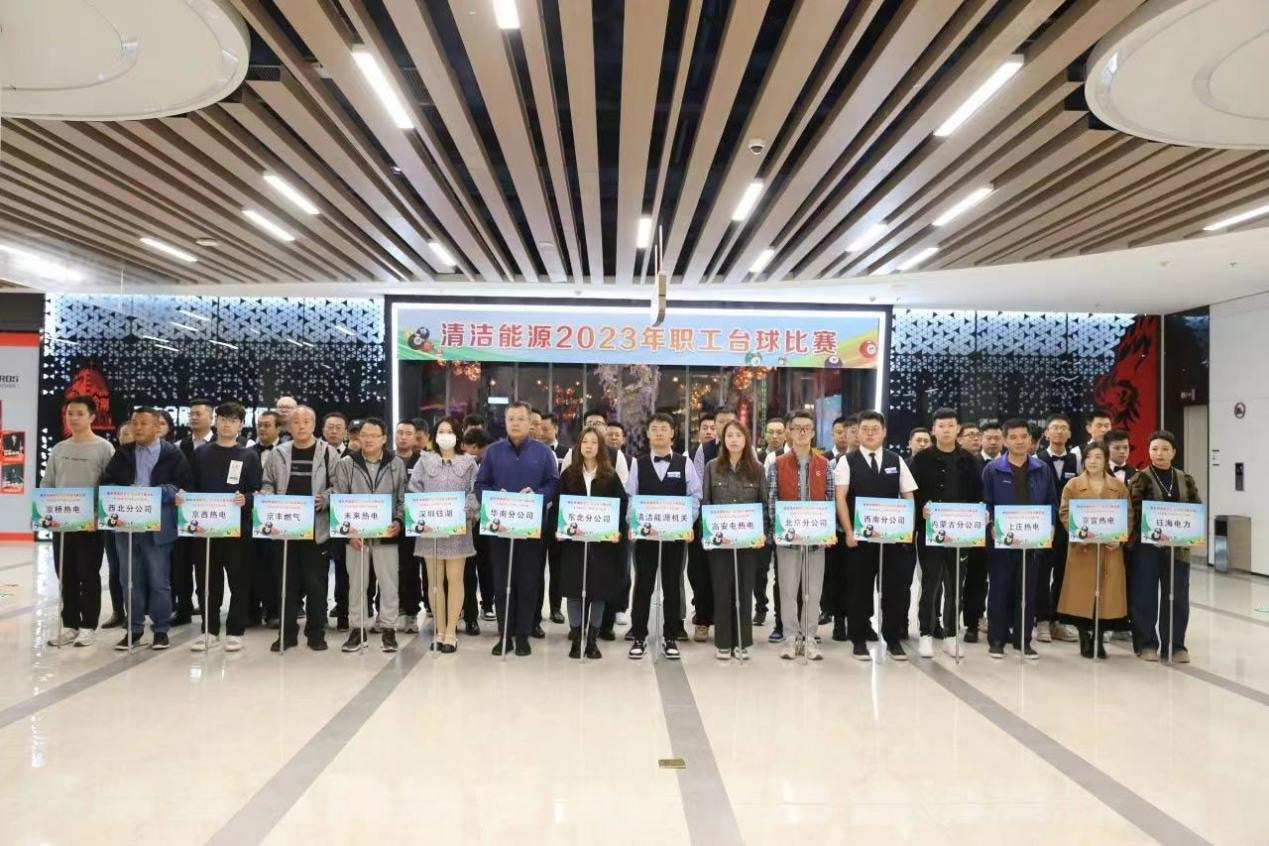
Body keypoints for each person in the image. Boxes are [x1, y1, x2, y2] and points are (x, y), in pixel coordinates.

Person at [100, 407, 191, 650]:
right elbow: (107, 482)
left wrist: (151, 494)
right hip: (126, 527)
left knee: (159, 581)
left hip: (159, 527)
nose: (137, 428)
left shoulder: (173, 454)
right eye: (134, 423)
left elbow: (181, 486)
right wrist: (124, 491)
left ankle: (161, 630)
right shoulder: (123, 453)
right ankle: (134, 629)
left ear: (157, 427)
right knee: (129, 581)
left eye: (143, 423)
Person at [474, 401, 560, 656]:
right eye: (511, 418)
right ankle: (505, 634)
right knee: (502, 582)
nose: (515, 423)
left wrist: (537, 496)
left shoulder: (543, 452)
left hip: (531, 528)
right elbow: (480, 484)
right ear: (505, 421)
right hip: (500, 526)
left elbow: (553, 484)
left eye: (521, 418)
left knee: (528, 581)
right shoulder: (493, 452)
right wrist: (495, 497)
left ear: (530, 422)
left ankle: (523, 634)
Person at [834, 411, 918, 661]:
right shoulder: (846, 461)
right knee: (858, 588)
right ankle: (858, 639)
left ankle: (893, 639)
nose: (870, 433)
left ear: (884, 432)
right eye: (865, 429)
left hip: (892, 538)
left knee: (893, 589)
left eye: (875, 429)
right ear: (858, 432)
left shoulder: (896, 460)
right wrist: (848, 531)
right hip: (859, 538)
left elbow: (908, 496)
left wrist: (907, 529)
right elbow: (840, 497)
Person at [182, 402, 262, 652]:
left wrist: (246, 499)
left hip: (237, 530)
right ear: (216, 422)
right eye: (223, 419)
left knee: (239, 581)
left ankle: (236, 631)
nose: (227, 424)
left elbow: (256, 491)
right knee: (207, 581)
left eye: (233, 420)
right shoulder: (201, 453)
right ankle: (210, 630)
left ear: (241, 425)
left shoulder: (248, 455)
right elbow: (191, 486)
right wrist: (184, 496)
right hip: (205, 528)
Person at [261, 406, 339, 651]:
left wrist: (325, 498)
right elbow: (267, 482)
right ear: (288, 426)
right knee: (286, 584)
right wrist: (267, 495)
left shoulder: (328, 453)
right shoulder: (278, 453)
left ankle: (316, 633)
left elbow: (339, 485)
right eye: (296, 421)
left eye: (306, 421)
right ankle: (287, 634)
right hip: (284, 528)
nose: (301, 426)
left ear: (314, 425)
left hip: (316, 530)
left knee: (316, 584)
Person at [626, 412, 701, 659]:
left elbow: (695, 496)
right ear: (648, 434)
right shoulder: (638, 464)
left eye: (663, 429)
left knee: (672, 585)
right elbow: (631, 497)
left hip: (675, 537)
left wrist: (688, 523)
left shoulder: (684, 463)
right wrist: (632, 522)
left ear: (672, 434)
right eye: (654, 429)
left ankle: (671, 637)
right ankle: (639, 636)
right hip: (645, 537)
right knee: (643, 585)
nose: (659, 433)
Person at [982, 418, 1058, 660]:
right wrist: (990, 524)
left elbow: (1051, 502)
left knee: (1028, 590)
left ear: (1030, 440)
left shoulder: (1042, 468)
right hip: (1001, 540)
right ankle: (997, 639)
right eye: (1013, 437)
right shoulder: (993, 469)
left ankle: (1023, 640)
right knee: (999, 589)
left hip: (1033, 539)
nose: (1019, 441)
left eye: (1023, 437)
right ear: (1005, 441)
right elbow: (986, 502)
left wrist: (1051, 525)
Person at [42, 395, 115, 647]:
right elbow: (48, 483)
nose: (73, 418)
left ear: (92, 416)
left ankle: (88, 626)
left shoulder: (104, 448)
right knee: (66, 575)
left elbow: (109, 486)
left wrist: (97, 514)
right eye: (69, 413)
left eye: (79, 414)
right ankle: (70, 625)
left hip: (90, 524)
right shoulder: (59, 448)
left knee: (88, 574)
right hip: (62, 523)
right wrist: (44, 510)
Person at [911, 408, 982, 658]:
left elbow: (977, 495)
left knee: (955, 585)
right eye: (941, 426)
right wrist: (921, 509)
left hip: (961, 533)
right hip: (930, 532)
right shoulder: (921, 460)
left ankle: (951, 636)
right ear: (933, 429)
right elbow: (912, 495)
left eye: (951, 425)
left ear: (958, 429)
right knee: (930, 583)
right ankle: (926, 633)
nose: (946, 430)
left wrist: (980, 514)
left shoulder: (970, 460)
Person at [333, 417, 407, 653]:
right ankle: (358, 629)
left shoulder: (396, 464)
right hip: (356, 537)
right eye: (364, 435)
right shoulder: (346, 464)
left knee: (389, 584)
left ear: (384, 439)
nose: (368, 439)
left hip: (387, 534)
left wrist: (399, 521)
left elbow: (402, 498)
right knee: (357, 584)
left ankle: (388, 629)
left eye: (374, 435)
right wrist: (349, 534)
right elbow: (338, 498)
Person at [1127, 430, 1201, 663]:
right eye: (1154, 449)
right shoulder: (1140, 478)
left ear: (1174, 452)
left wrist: (1191, 533)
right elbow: (1132, 512)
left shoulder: (1185, 479)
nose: (1159, 453)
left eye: (1165, 449)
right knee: (1144, 595)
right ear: (1148, 452)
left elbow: (1195, 509)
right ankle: (1146, 643)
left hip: (1178, 549)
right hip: (1147, 548)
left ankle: (1175, 645)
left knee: (1177, 596)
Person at [766, 410, 833, 660]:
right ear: (789, 432)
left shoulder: (824, 464)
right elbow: (772, 501)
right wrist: (780, 531)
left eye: (807, 428)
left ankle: (810, 637)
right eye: (797, 428)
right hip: (788, 539)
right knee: (787, 590)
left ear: (813, 432)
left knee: (813, 591)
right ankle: (790, 637)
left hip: (816, 539)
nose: (802, 432)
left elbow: (829, 499)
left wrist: (826, 531)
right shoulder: (777, 464)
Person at [557, 426, 628, 659]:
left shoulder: (610, 476)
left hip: (602, 546)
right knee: (574, 591)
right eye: (584, 442)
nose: (589, 446)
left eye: (593, 442)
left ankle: (592, 641)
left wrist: (616, 531)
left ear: (600, 447)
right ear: (579, 446)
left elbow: (621, 506)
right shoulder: (569, 475)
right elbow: (559, 505)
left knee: (598, 592)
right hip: (574, 544)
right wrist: (559, 529)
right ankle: (577, 638)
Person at [407, 416, 476, 653]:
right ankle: (439, 629)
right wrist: (423, 510)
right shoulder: (424, 461)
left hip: (458, 530)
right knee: (434, 580)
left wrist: (466, 510)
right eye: (441, 431)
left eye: (450, 431)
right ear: (435, 437)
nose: (445, 435)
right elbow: (414, 488)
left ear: (458, 435)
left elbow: (475, 491)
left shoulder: (469, 462)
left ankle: (451, 632)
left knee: (455, 579)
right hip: (431, 531)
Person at [702, 419, 768, 661]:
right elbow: (706, 502)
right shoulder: (712, 467)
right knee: (722, 590)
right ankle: (723, 642)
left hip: (748, 541)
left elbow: (763, 504)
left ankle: (742, 641)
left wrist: (762, 533)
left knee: (744, 590)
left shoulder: (757, 469)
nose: (734, 440)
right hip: (720, 541)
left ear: (746, 439)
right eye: (729, 435)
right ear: (723, 439)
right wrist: (707, 534)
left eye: (738, 435)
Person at [1056, 441, 1130, 659]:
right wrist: (1078, 533)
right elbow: (1064, 513)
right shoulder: (1073, 485)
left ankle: (1099, 637)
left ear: (1105, 459)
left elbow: (1128, 515)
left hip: (1109, 549)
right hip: (1083, 549)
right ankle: (1084, 636)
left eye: (1098, 457)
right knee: (1081, 595)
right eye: (1089, 457)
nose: (1093, 461)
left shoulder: (1118, 486)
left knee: (1106, 596)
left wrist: (1120, 539)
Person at [1036, 414, 1080, 644]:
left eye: (1064, 428)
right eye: (1054, 428)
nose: (1059, 431)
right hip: (1044, 524)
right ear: (1046, 433)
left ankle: (1057, 620)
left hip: (1068, 526)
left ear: (1069, 433)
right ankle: (1042, 620)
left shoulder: (1077, 460)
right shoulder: (1037, 459)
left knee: (1063, 573)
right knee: (1042, 574)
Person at [172, 398, 215, 626]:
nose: (194, 417)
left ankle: (208, 609)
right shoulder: (180, 445)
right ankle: (183, 608)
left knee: (206, 566)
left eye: (199, 413)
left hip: (213, 514)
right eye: (191, 414)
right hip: (185, 514)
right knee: (181, 564)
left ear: (211, 417)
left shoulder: (222, 443)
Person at [248, 411, 282, 627]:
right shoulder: (247, 452)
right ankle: (252, 611)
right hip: (250, 515)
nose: (262, 429)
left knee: (274, 567)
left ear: (279, 428)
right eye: (259, 425)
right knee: (252, 566)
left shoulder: (287, 451)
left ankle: (274, 611)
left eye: (267, 425)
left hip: (278, 516)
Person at [460, 426, 496, 630]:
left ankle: (488, 604)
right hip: (466, 522)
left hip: (488, 522)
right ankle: (469, 612)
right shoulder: (462, 463)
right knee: (467, 571)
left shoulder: (493, 461)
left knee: (487, 566)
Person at [686, 412, 718, 642]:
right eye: (705, 427)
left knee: (722, 571)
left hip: (727, 521)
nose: (709, 431)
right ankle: (702, 615)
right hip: (701, 520)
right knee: (698, 571)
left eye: (712, 427)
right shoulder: (694, 453)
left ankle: (720, 617)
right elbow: (695, 488)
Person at [1105, 428, 1138, 642]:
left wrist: (1124, 536)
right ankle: (1103, 623)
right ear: (1107, 449)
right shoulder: (1096, 472)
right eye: (1117, 448)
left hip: (1127, 540)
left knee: (1127, 581)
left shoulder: (1136, 474)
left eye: (1125, 447)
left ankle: (1123, 623)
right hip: (1103, 537)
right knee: (1104, 581)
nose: (1122, 452)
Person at [754, 416, 788, 628]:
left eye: (779, 432)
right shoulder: (755, 458)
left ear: (786, 434)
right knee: (759, 571)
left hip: (785, 522)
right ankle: (760, 607)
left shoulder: (790, 457)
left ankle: (781, 616)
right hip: (761, 523)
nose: (775, 436)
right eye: (771, 432)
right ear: (764, 435)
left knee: (782, 572)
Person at [100, 421, 135, 629]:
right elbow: (105, 482)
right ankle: (117, 611)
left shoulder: (146, 457)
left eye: (128, 433)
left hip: (139, 521)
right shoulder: (116, 458)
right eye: (122, 434)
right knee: (115, 568)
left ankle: (135, 614)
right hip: (114, 520)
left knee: (133, 570)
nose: (124, 437)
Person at [394, 419, 426, 633]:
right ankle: (389, 611)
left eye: (408, 433)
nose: (403, 437)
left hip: (415, 523)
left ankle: (412, 613)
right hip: (391, 523)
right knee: (389, 570)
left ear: (415, 438)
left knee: (412, 569)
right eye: (400, 433)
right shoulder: (386, 459)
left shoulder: (424, 461)